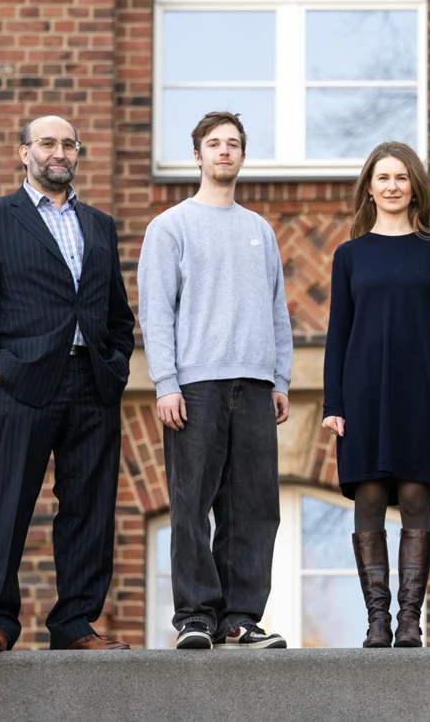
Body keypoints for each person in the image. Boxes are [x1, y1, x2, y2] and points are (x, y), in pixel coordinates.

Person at [0, 115, 136, 651]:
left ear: (77, 154)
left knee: (89, 507)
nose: (59, 151)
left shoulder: (99, 224)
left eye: (68, 144)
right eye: (48, 142)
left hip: (93, 383)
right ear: (24, 152)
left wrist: (117, 365)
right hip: (23, 383)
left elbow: (118, 312)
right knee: (11, 503)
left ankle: (75, 623)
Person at [140, 111, 293, 650]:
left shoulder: (259, 231)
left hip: (254, 385)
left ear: (243, 156)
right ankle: (197, 615)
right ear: (198, 156)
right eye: (214, 144)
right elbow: (156, 311)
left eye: (233, 144)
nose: (224, 151)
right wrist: (166, 382)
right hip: (196, 386)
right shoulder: (170, 226)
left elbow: (277, 310)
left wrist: (280, 379)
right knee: (190, 501)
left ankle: (240, 618)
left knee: (253, 505)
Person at [322, 142, 430, 649]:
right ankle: (376, 620)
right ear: (370, 188)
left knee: (413, 495)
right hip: (362, 390)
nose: (392, 186)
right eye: (383, 178)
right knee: (370, 495)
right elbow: (338, 333)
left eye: (401, 177)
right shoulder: (349, 254)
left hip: (421, 388)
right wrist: (332, 404)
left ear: (415, 186)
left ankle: (409, 620)